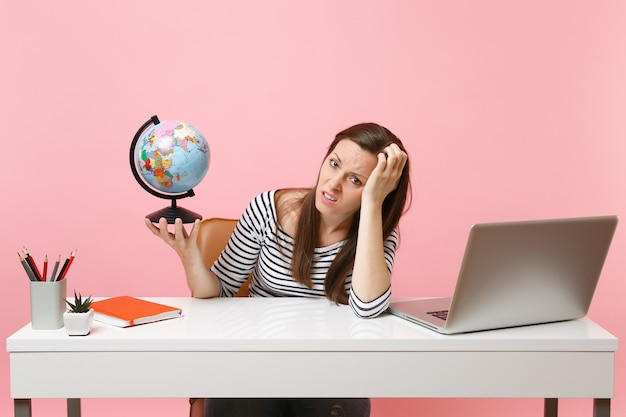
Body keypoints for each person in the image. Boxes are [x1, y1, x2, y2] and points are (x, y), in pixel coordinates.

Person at [145, 122, 411, 417]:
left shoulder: (378, 233)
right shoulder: (268, 209)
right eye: (333, 164)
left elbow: (369, 307)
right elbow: (218, 290)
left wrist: (373, 205)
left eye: (356, 181)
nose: (333, 184)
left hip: (330, 372)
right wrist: (190, 257)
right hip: (254, 365)